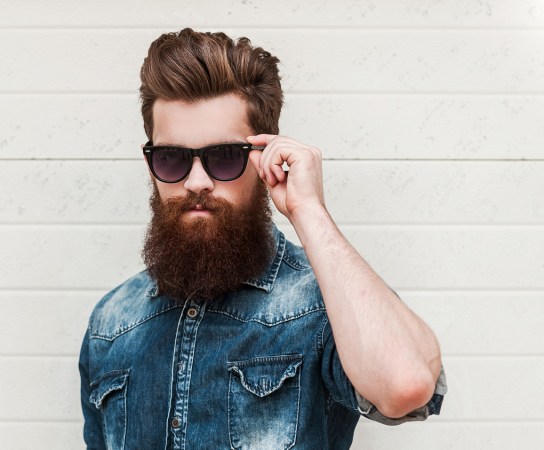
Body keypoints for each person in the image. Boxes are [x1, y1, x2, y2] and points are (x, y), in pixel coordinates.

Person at [79, 28, 446, 449]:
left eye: (223, 157)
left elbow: (407, 384)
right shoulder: (111, 322)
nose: (196, 182)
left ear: (264, 158)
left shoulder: (320, 303)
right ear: (150, 166)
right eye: (171, 158)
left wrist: (308, 210)